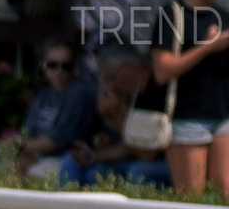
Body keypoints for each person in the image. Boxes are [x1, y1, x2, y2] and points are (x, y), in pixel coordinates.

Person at [141, 0, 229, 197]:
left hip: (224, 114)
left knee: (225, 194)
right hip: (187, 117)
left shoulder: (224, 16)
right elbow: (163, 70)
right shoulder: (173, 15)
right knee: (191, 197)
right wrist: (207, 47)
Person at [59, 58, 171, 188]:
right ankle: (63, 206)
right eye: (105, 80)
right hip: (126, 158)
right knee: (74, 162)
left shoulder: (149, 94)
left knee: (137, 171)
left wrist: (116, 116)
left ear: (128, 68)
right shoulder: (116, 97)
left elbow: (147, 154)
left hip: (156, 162)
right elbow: (123, 148)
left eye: (112, 78)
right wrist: (93, 153)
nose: (109, 86)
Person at [10, 39, 98, 178]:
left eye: (66, 66)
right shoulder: (45, 93)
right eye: (53, 65)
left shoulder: (80, 94)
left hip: (67, 160)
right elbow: (28, 132)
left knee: (29, 174)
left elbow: (55, 142)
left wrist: (16, 146)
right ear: (43, 65)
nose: (59, 71)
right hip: (40, 157)